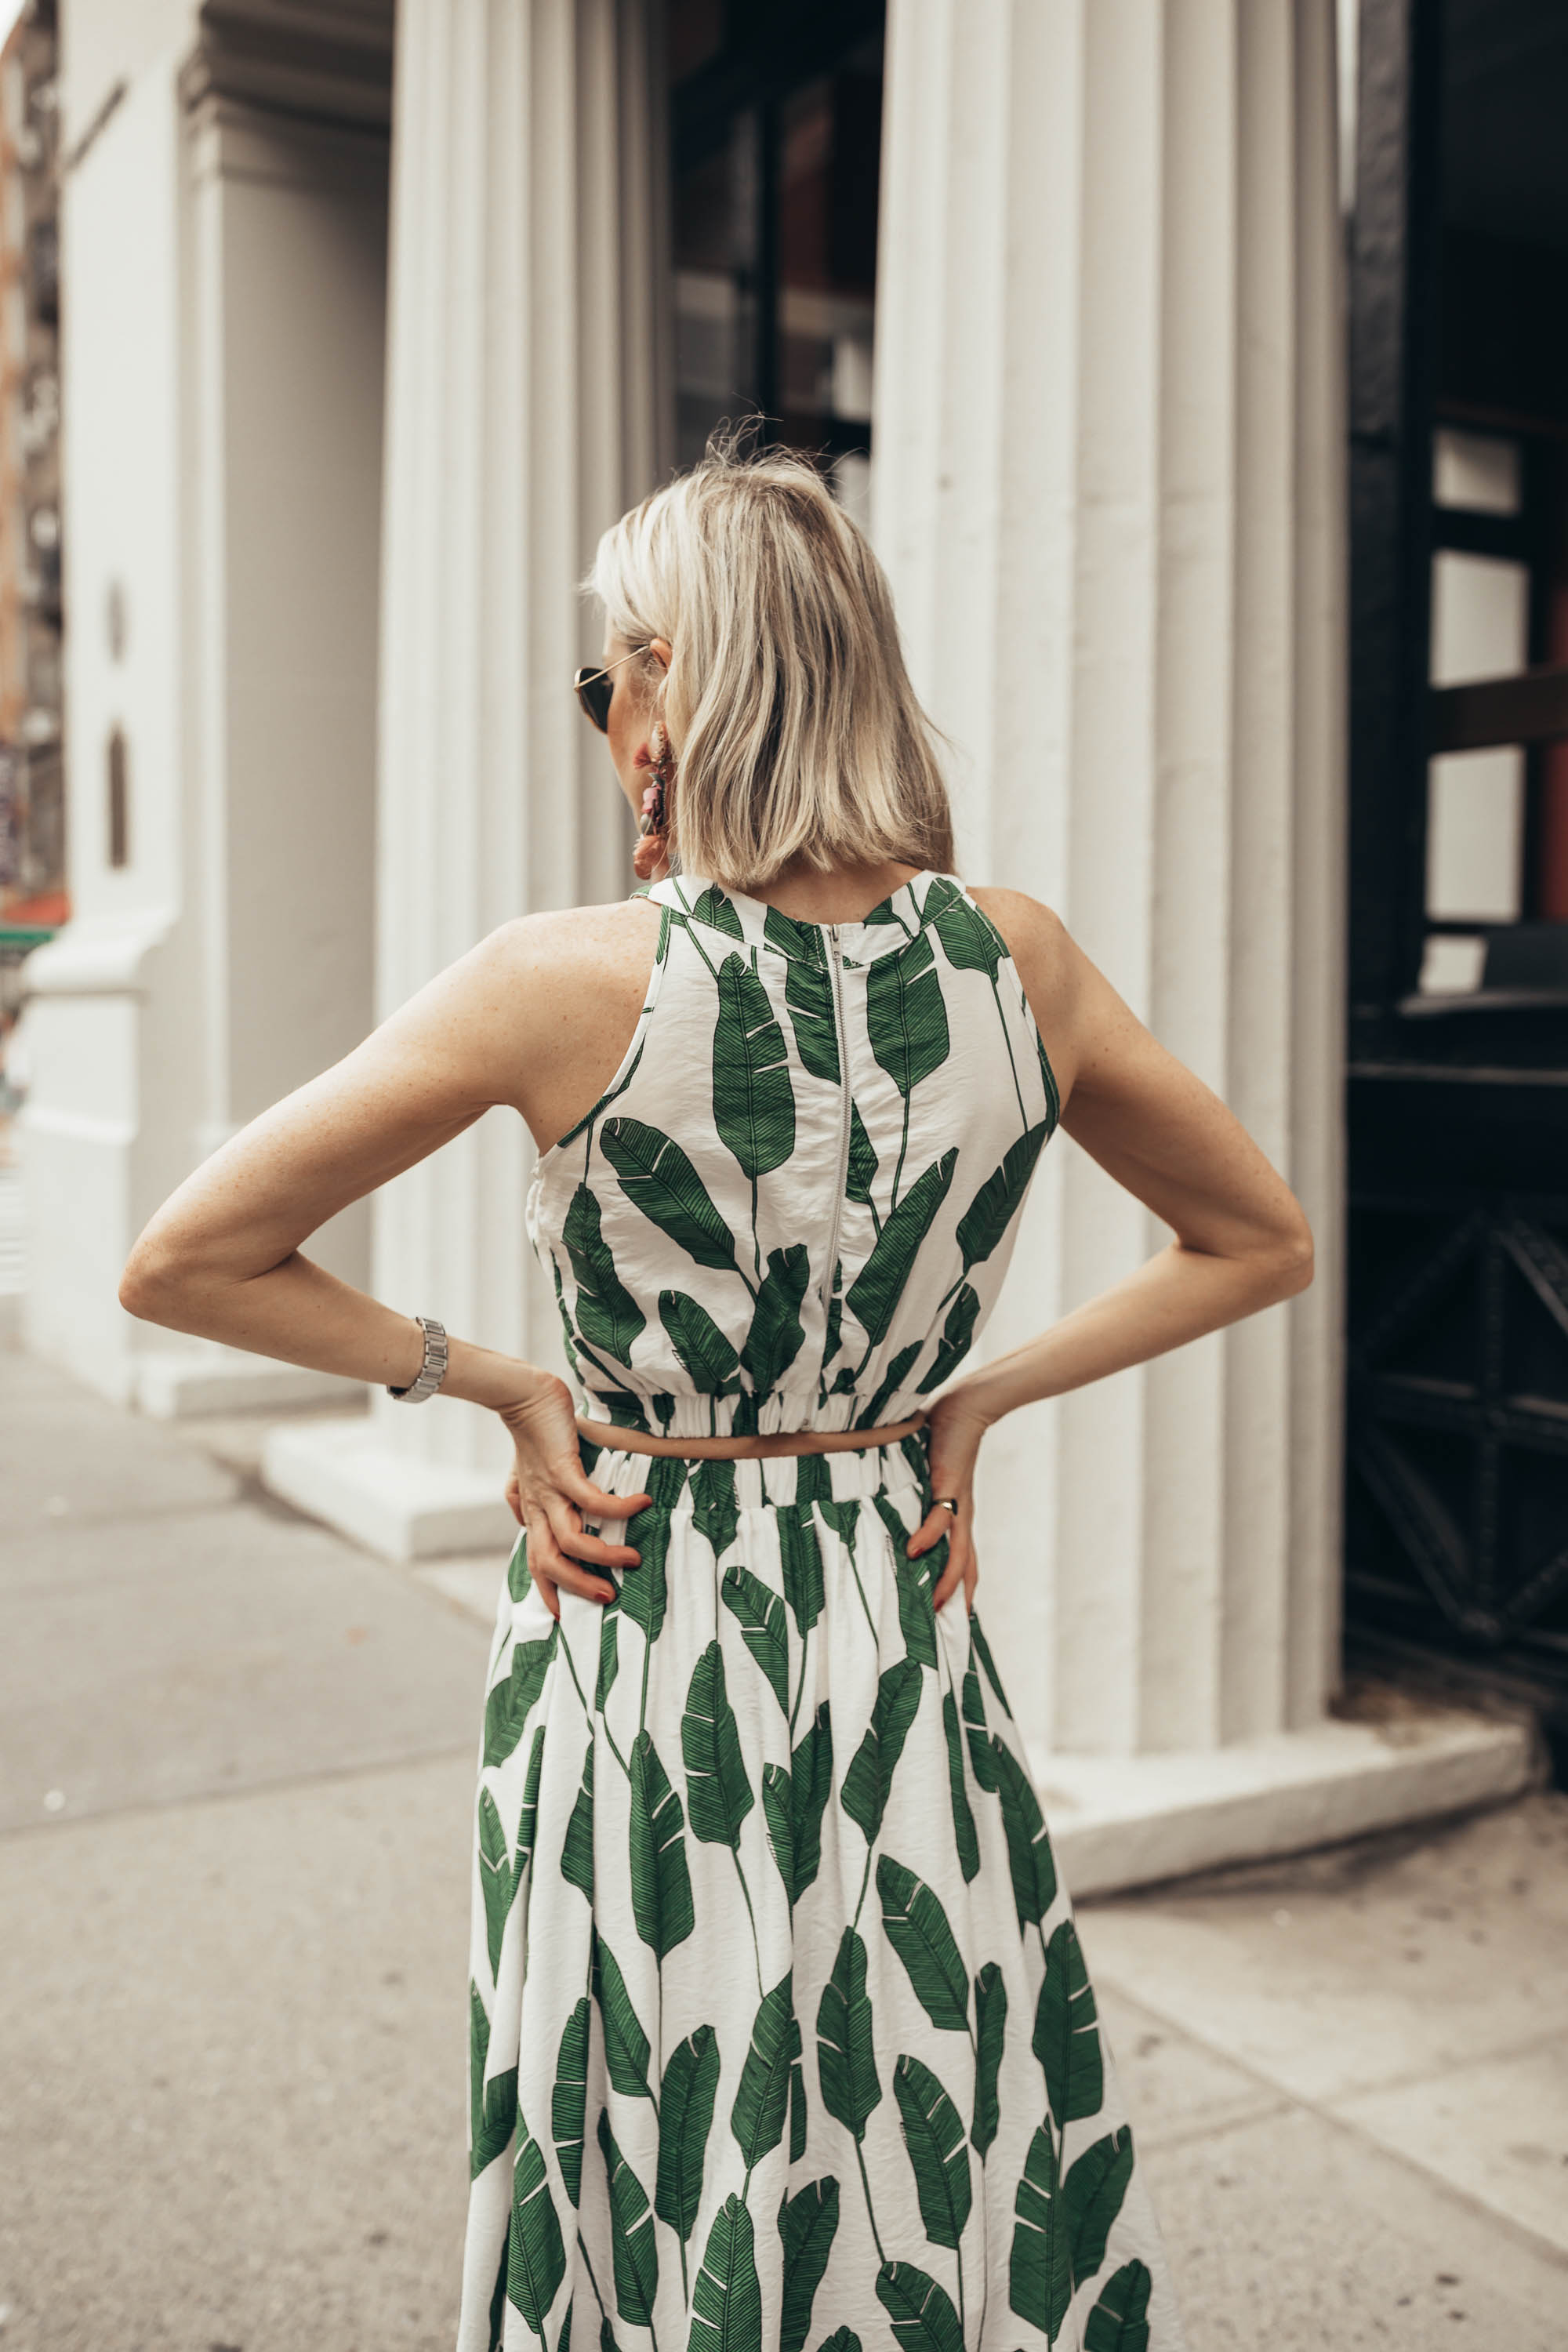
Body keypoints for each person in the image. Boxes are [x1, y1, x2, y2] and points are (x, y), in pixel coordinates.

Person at [121, 441, 1310, 2350]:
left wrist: (487, 1381)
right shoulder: (1020, 966)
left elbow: (181, 1257)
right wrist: (971, 1402)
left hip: (643, 1615)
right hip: (887, 1617)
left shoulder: (560, 983)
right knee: (911, 2095)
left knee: (659, 2107)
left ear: (681, 687)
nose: (603, 724)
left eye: (607, 681)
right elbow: (1260, 1238)